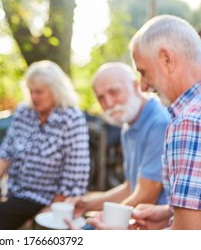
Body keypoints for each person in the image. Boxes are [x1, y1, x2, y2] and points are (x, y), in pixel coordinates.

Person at [0, 60, 90, 230]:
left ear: (56, 91)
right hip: (14, 191)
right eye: (31, 91)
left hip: (43, 197)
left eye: (39, 92)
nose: (34, 97)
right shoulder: (24, 112)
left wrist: (52, 210)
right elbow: (6, 151)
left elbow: (75, 173)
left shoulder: (72, 119)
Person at [66, 62, 170, 230]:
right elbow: (130, 187)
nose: (108, 102)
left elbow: (146, 195)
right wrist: (86, 205)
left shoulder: (158, 123)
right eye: (101, 97)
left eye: (114, 92)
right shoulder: (127, 126)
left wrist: (97, 221)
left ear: (135, 86)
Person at [129, 14, 201, 230]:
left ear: (167, 60)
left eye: (143, 72)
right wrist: (168, 213)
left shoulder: (189, 120)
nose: (142, 87)